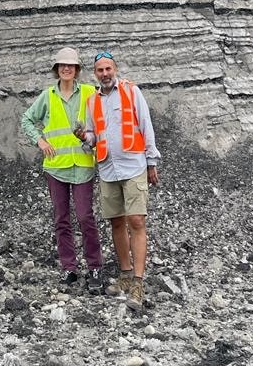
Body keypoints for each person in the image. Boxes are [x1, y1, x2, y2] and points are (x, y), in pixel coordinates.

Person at [82, 51, 160, 312]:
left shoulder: (131, 91)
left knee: (136, 220)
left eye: (108, 69)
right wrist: (85, 137)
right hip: (107, 168)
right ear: (95, 73)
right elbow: (94, 135)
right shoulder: (92, 101)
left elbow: (145, 124)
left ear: (115, 69)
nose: (104, 73)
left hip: (133, 165)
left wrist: (152, 162)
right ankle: (125, 275)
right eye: (100, 70)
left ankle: (138, 282)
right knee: (116, 221)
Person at [21, 47, 103, 293]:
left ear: (77, 70)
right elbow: (27, 119)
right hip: (56, 167)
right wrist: (40, 141)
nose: (66, 69)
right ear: (57, 69)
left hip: (83, 165)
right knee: (61, 219)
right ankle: (69, 268)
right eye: (62, 65)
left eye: (71, 65)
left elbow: (109, 103)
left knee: (86, 217)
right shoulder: (47, 96)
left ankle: (95, 267)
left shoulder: (90, 92)